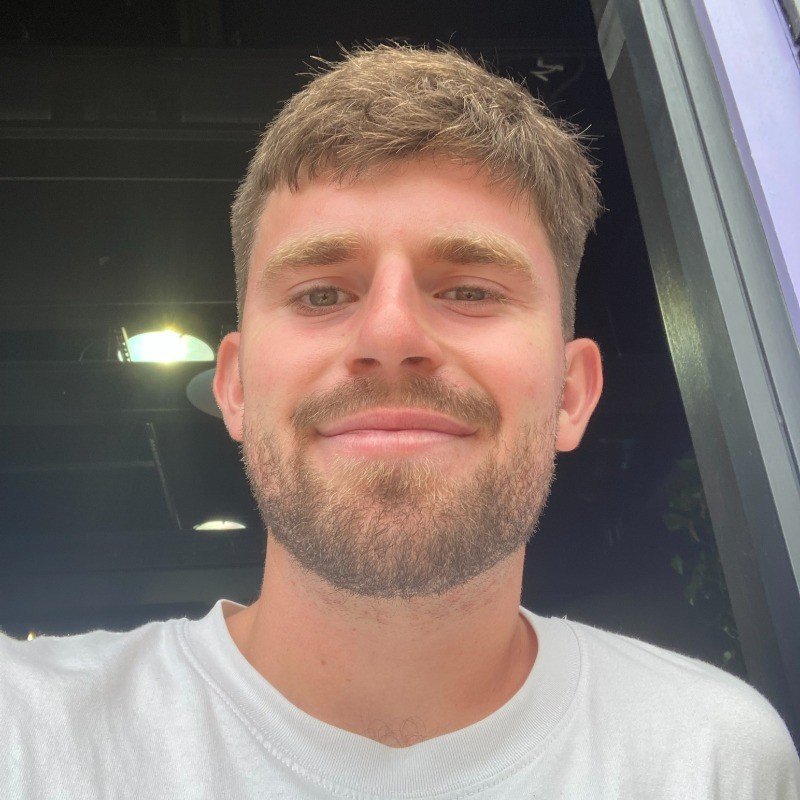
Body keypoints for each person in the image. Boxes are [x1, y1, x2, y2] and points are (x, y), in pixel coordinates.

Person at [2, 43, 799, 800]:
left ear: (570, 393)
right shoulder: (29, 736)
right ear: (236, 389)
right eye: (321, 293)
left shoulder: (714, 760)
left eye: (469, 290)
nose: (388, 337)